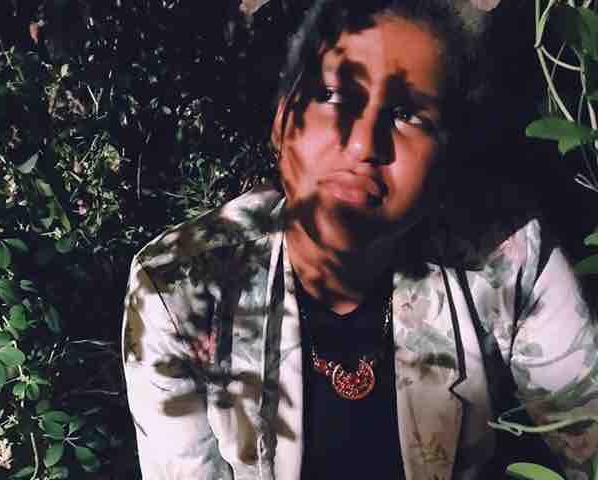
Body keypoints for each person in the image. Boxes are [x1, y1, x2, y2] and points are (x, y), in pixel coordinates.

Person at [121, 1, 598, 479]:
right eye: (333, 97)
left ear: (444, 157)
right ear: (282, 123)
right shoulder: (180, 291)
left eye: (407, 114)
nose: (364, 143)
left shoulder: (508, 258)